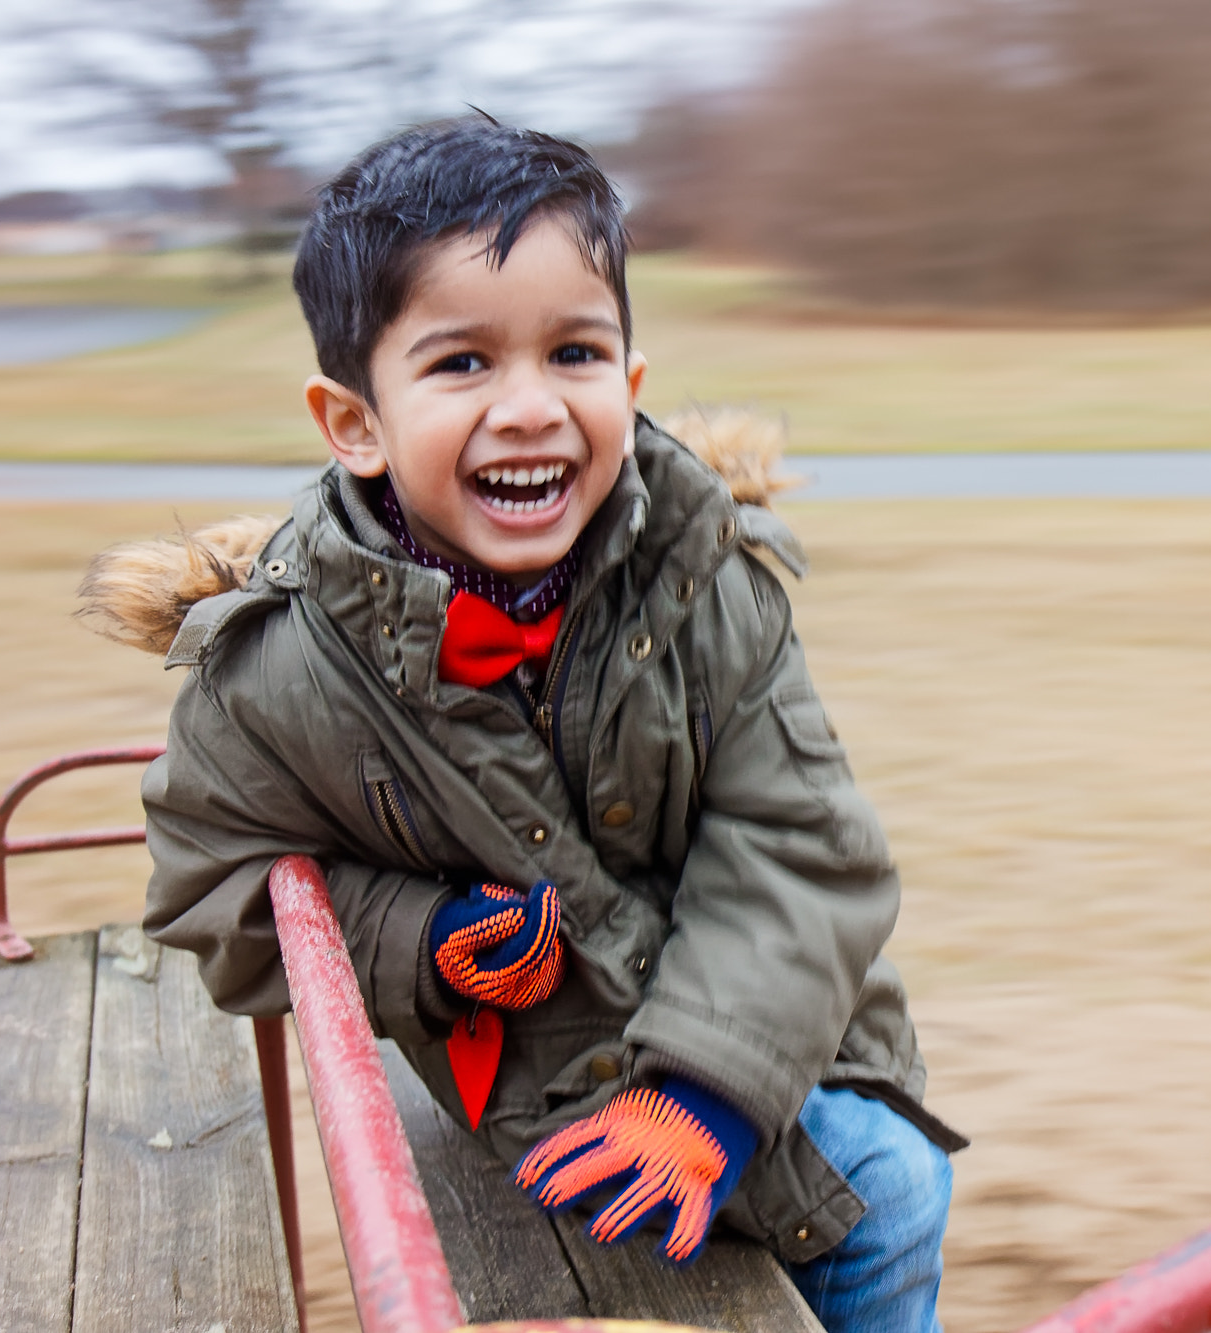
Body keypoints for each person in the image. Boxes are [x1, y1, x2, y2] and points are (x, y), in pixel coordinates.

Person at [79, 117, 962, 1333]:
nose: (531, 407)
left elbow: (804, 847)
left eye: (575, 352)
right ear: (355, 423)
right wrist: (419, 938)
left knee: (889, 1188)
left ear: (631, 381)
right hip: (538, 1070)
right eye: (461, 365)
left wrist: (703, 1094)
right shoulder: (281, 669)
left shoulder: (707, 579)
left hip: (759, 1025)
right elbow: (205, 888)